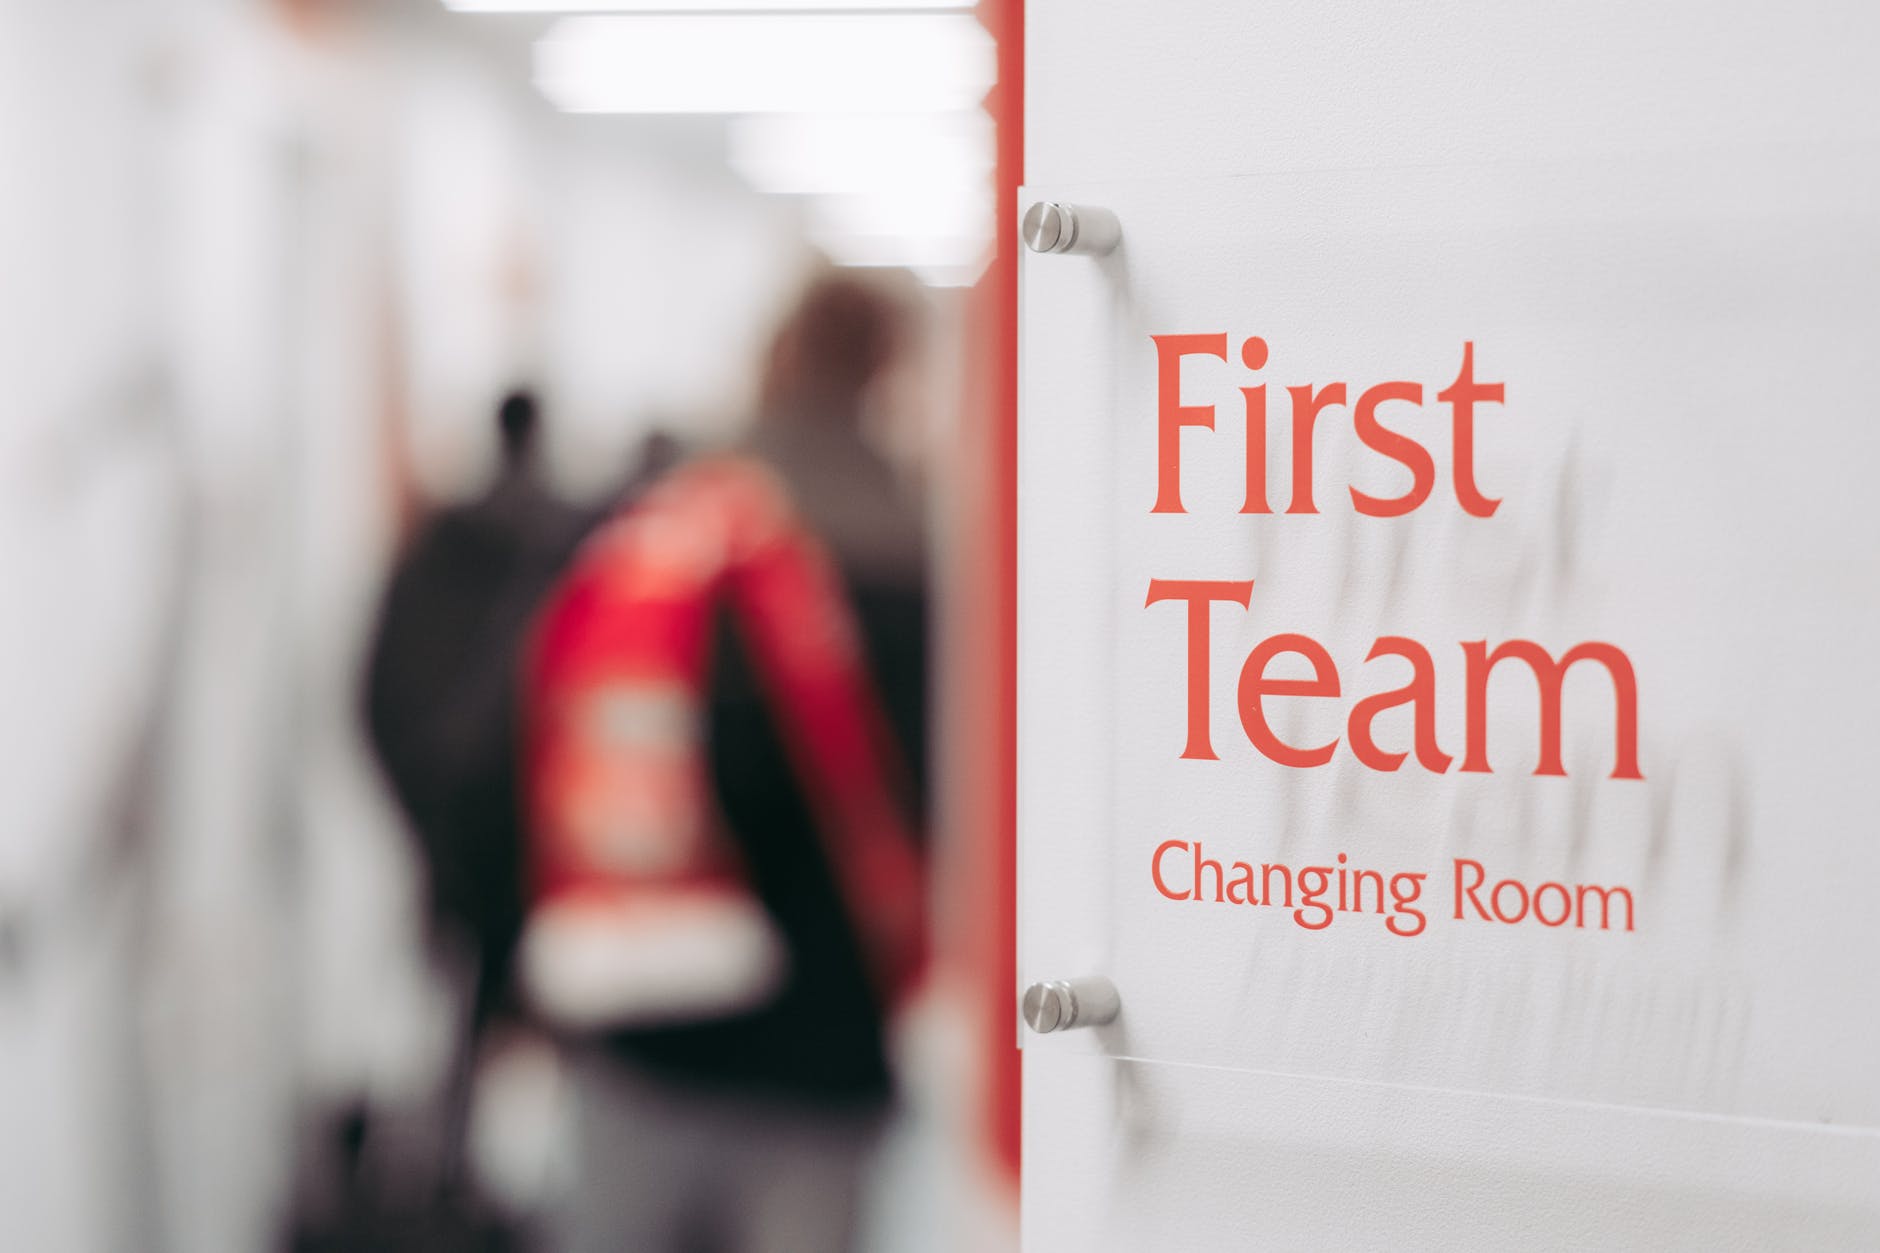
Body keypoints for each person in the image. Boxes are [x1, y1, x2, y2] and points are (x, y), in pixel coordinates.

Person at [522, 273, 931, 1253]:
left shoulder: (663, 531)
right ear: (885, 368)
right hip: (825, 1051)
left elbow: (535, 734)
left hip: (639, 1026)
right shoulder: (917, 548)